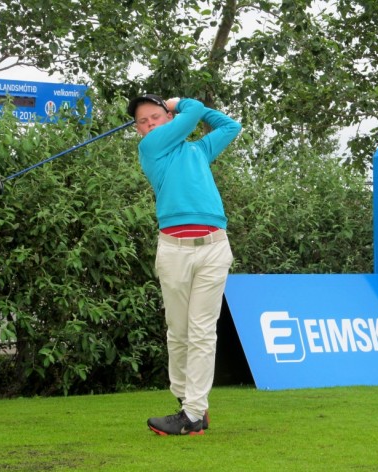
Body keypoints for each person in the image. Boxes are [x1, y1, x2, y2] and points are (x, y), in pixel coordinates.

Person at [127, 94, 242, 436]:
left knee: (202, 331)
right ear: (138, 130)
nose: (149, 124)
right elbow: (192, 116)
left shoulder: (198, 150)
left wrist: (180, 104)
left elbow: (230, 126)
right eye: (142, 121)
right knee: (178, 331)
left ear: (167, 117)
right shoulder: (151, 149)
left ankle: (193, 413)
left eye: (155, 116)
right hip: (174, 250)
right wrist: (181, 105)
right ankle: (186, 400)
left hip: (213, 246)